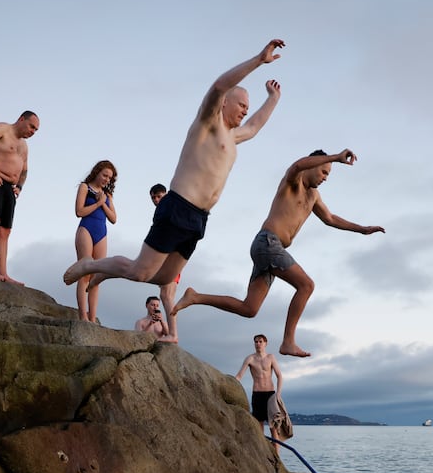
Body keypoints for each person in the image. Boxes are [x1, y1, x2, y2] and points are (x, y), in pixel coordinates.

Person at [63, 39, 285, 292]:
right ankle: (92, 265)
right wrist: (259, 60)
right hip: (178, 206)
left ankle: (106, 270)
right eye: (242, 105)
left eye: (248, 107)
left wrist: (273, 98)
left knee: (164, 278)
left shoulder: (233, 137)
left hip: (200, 218)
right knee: (139, 271)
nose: (246, 111)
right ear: (225, 102)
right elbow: (219, 86)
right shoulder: (207, 123)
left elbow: (254, 127)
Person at [175, 149, 385, 357]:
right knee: (306, 285)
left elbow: (330, 218)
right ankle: (288, 342)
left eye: (328, 174)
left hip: (269, 249)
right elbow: (296, 166)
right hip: (268, 243)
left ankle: (195, 297)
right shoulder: (294, 182)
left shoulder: (313, 196)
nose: (325, 178)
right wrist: (336, 158)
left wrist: (363, 229)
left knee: (250, 309)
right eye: (324, 172)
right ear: (312, 165)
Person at [0, 111, 39, 283]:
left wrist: (19, 187)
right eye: (31, 126)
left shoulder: (24, 146)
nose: (33, 131)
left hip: (9, 189)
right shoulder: (4, 129)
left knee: (5, 229)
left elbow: (24, 169)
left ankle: (4, 272)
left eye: (36, 130)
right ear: (21, 119)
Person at [74, 160, 118, 322]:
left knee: (96, 277)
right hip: (86, 229)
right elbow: (79, 211)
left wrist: (104, 203)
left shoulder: (108, 195)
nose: (107, 179)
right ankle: (83, 316)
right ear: (97, 172)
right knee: (84, 273)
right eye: (105, 175)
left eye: (110, 178)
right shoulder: (85, 187)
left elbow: (113, 218)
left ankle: (93, 318)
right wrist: (98, 203)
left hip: (102, 232)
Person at [235, 334, 283, 449]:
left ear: (265, 343)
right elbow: (239, 375)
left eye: (260, 341)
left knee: (273, 429)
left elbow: (279, 376)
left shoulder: (270, 357)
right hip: (257, 395)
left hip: (270, 395)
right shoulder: (250, 358)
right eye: (256, 342)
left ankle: (277, 459)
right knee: (259, 428)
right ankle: (263, 456)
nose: (258, 344)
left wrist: (278, 394)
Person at [149, 183, 180, 342]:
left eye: (159, 196)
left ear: (165, 195)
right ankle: (172, 333)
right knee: (167, 296)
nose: (156, 200)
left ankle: (173, 334)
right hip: (171, 256)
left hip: (172, 256)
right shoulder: (164, 211)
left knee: (166, 295)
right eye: (153, 197)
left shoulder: (170, 209)